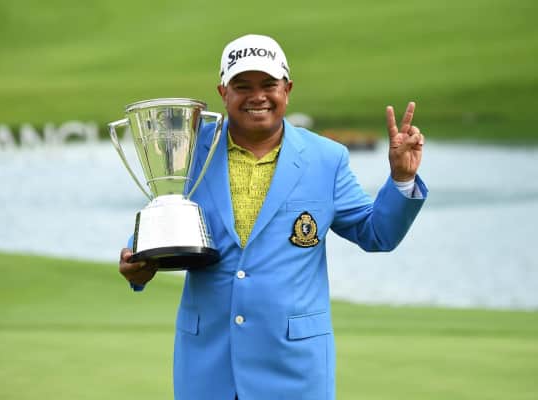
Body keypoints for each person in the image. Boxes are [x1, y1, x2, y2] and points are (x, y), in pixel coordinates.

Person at [118, 34, 427, 400]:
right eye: (242, 86)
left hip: (295, 370)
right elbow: (162, 221)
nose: (257, 96)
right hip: (208, 368)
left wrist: (401, 179)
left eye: (268, 84)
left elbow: (377, 234)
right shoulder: (189, 146)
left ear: (287, 89)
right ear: (223, 92)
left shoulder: (326, 159)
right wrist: (138, 262)